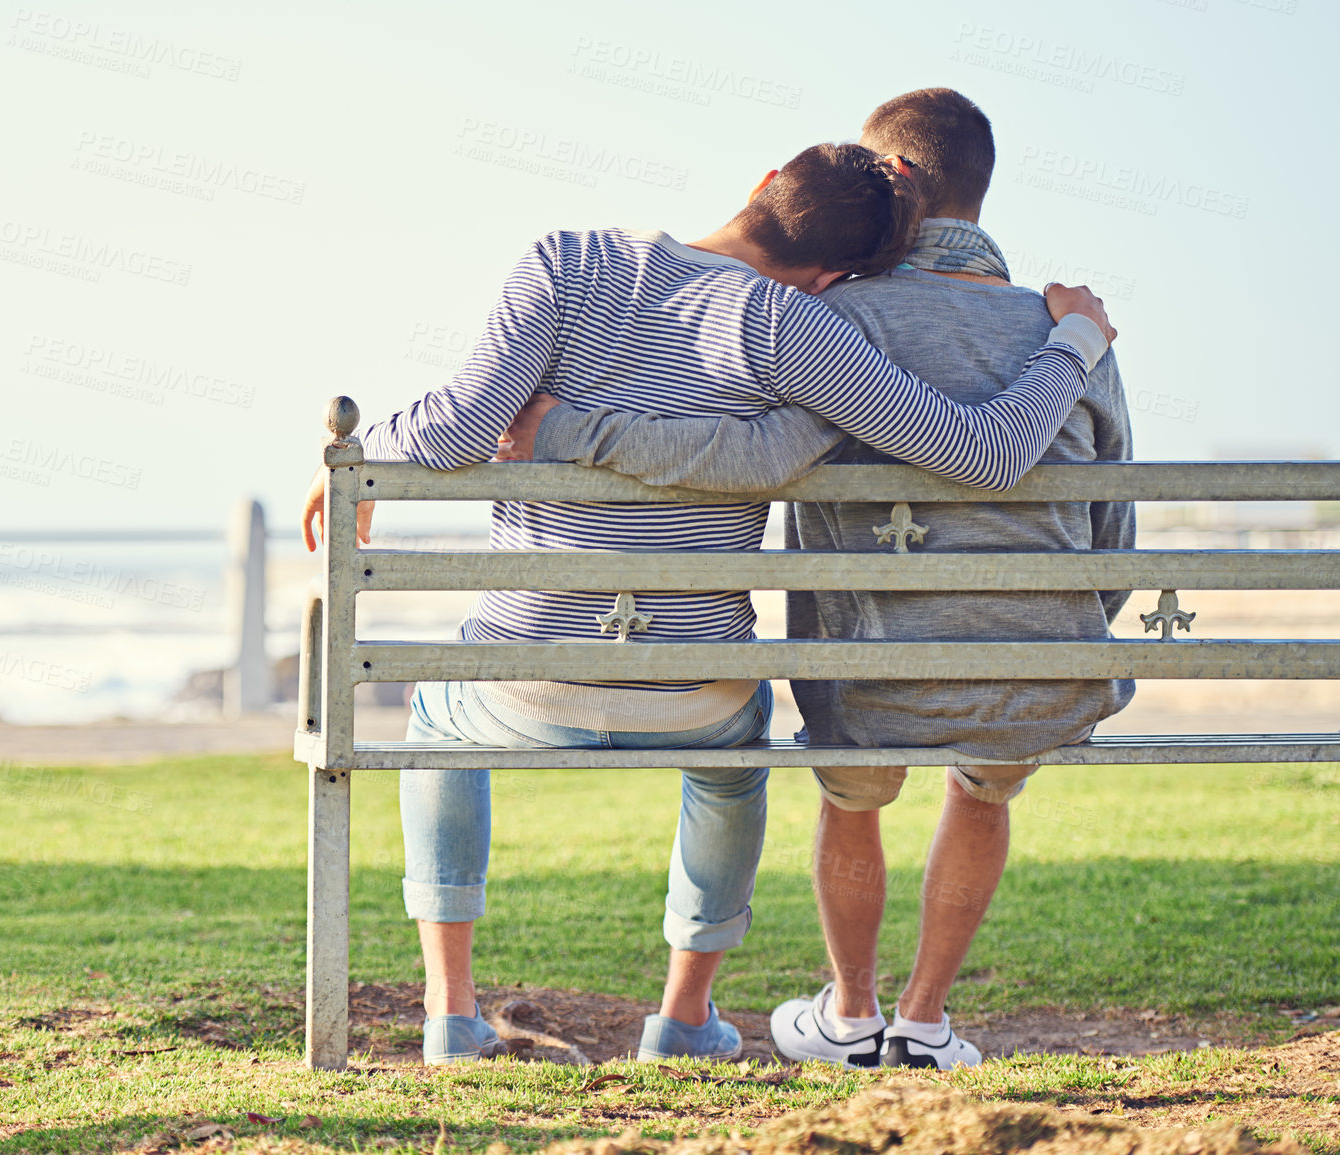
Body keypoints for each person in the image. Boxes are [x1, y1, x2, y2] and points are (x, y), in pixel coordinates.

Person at [300, 140, 1116, 1066]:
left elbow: (455, 424)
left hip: (524, 677)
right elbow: (978, 451)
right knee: (735, 757)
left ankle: (450, 1010)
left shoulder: (568, 260)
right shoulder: (799, 328)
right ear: (832, 278)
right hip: (691, 691)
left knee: (437, 715)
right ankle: (683, 1016)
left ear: (766, 182)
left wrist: (358, 465)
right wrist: (1076, 339)